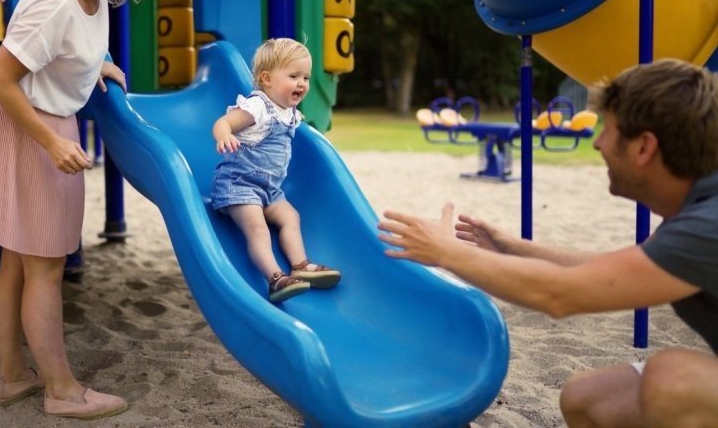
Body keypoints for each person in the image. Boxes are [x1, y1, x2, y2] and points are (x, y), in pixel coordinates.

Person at [378, 59, 718, 427]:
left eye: (608, 130)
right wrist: (514, 249)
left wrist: (448, 252)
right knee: (590, 399)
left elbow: (560, 295)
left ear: (643, 147)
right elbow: (619, 269)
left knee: (672, 379)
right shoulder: (694, 207)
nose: (598, 143)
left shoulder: (706, 226)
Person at [0, 0, 163, 420]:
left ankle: (12, 377)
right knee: (45, 268)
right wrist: (51, 142)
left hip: (36, 121)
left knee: (17, 263)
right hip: (25, 126)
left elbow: (66, 54)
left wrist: (97, 66)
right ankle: (62, 391)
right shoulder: (55, 2)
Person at [210, 38, 341, 302]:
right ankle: (275, 278)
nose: (302, 83)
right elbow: (223, 122)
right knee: (257, 228)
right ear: (267, 79)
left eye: (305, 77)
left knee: (291, 217)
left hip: (270, 190)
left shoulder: (290, 113)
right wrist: (224, 136)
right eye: (294, 76)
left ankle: (300, 265)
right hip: (239, 185)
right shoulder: (257, 107)